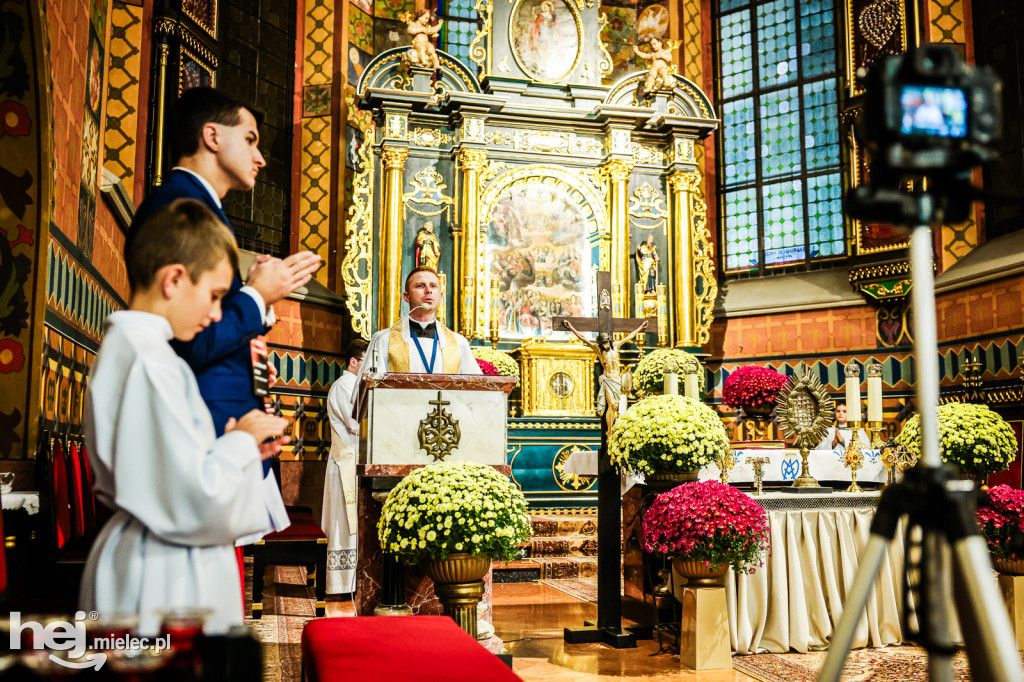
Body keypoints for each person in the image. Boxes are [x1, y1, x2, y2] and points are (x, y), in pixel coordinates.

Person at [81, 199, 290, 635]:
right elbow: (191, 498)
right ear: (174, 279)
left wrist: (237, 445)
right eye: (214, 296)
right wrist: (240, 441)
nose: (217, 314)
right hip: (161, 576)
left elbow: (169, 472)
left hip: (163, 559)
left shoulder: (145, 353)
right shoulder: (149, 361)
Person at [355, 267, 481, 380]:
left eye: (433, 286)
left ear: (441, 295)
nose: (428, 290)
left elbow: (477, 388)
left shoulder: (458, 343)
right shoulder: (383, 339)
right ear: (406, 296)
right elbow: (367, 390)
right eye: (420, 286)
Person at [322, 339, 368, 595]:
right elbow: (356, 423)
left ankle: (352, 581)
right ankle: (341, 584)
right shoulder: (344, 386)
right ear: (354, 361)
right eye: (365, 361)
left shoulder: (355, 385)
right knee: (343, 522)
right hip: (344, 464)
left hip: (353, 462)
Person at [563, 319, 647, 432]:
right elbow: (583, 339)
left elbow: (629, 336)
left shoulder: (616, 346)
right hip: (607, 380)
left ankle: (611, 428)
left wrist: (641, 328)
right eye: (603, 343)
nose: (605, 345)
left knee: (614, 407)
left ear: (609, 341)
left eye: (606, 342)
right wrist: (571, 328)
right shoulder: (598, 350)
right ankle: (609, 431)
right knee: (611, 404)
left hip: (616, 380)